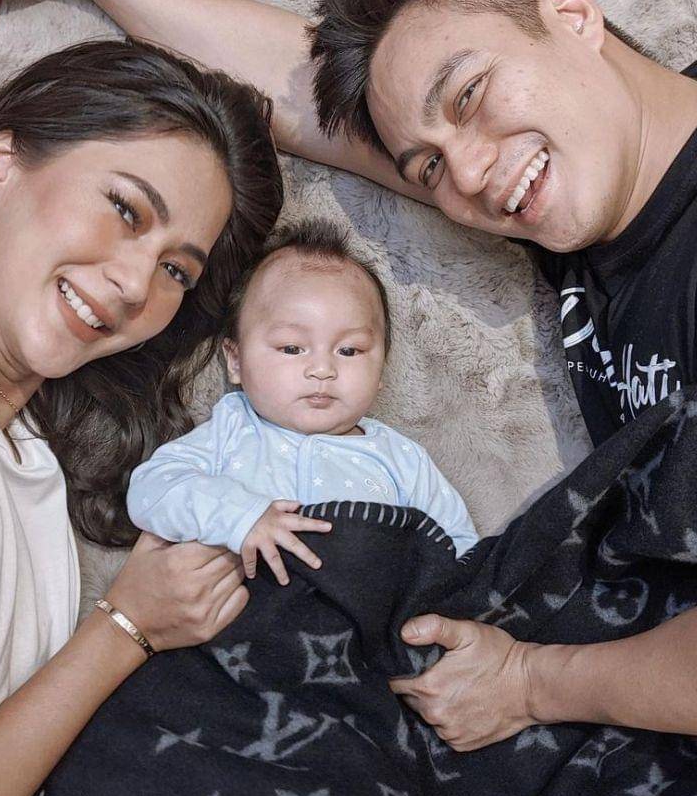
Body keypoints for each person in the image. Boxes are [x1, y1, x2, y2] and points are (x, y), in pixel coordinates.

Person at [0, 0, 697, 751]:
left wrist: (529, 683)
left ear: (574, 17)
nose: (472, 173)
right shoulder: (600, 169)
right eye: (428, 168)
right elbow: (291, 94)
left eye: (471, 96)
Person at [0, 36, 284, 796]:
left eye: (177, 268)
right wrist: (122, 630)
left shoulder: (18, 447)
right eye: (126, 209)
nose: (138, 283)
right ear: (0, 165)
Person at [127, 219, 480, 583]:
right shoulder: (231, 431)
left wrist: (449, 607)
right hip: (260, 605)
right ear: (235, 360)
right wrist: (243, 516)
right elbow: (152, 488)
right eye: (292, 348)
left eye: (349, 350)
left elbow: (461, 546)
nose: (322, 369)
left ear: (381, 370)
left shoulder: (402, 459)